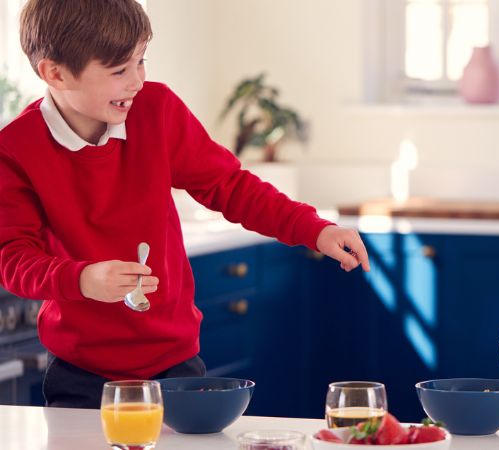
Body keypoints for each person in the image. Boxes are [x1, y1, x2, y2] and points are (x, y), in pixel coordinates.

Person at [0, 0, 370, 408]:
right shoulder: (16, 150)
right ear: (55, 73)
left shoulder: (156, 111)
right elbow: (13, 258)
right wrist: (82, 279)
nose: (136, 81)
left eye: (141, 62)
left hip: (176, 365)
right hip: (81, 373)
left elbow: (230, 186)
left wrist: (313, 228)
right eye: (119, 70)